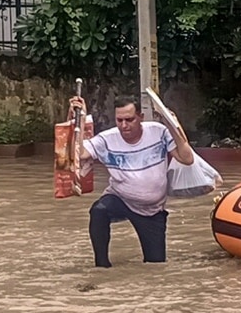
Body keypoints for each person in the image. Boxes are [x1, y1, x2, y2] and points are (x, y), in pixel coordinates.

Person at [66, 94, 195, 268]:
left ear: (141, 117)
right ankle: (102, 266)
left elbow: (187, 158)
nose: (124, 126)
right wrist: (79, 120)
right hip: (120, 198)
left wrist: (174, 126)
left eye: (129, 120)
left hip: (152, 210)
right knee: (98, 211)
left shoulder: (158, 131)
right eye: (119, 120)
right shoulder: (107, 139)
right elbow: (79, 155)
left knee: (155, 266)